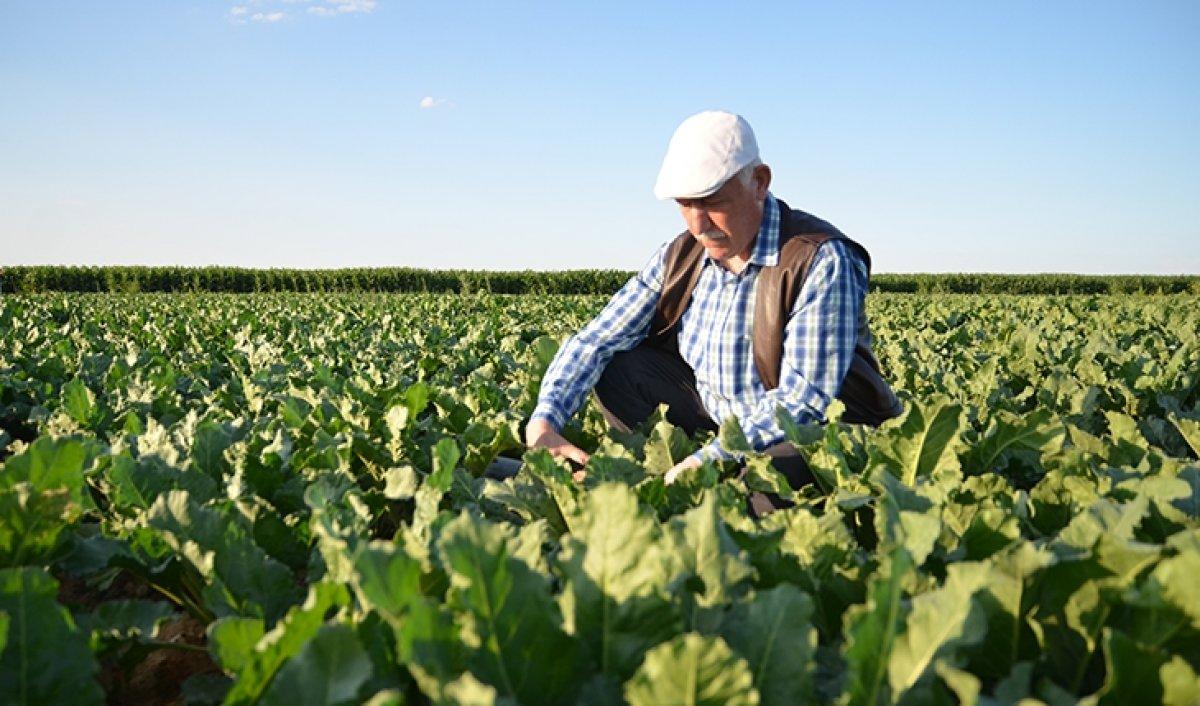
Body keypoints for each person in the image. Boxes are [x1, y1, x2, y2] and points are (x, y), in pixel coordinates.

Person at [525, 110, 900, 510]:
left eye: (712, 202)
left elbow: (804, 401)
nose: (698, 224)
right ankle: (663, 477)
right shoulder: (681, 254)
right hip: (715, 413)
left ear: (759, 182)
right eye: (685, 204)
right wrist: (544, 422)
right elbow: (596, 339)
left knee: (761, 488)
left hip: (812, 430)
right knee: (620, 368)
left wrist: (712, 458)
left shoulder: (820, 258)